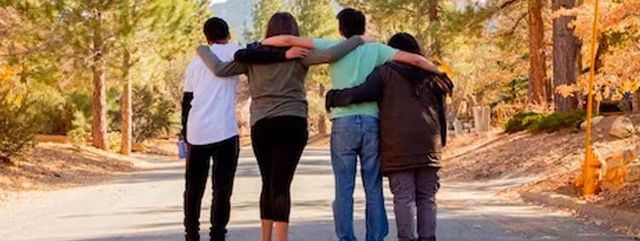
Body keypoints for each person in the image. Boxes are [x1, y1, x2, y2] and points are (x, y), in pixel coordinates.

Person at [257, 8, 445, 241]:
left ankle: (346, 237)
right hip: (371, 124)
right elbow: (415, 59)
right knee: (372, 187)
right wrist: (441, 73)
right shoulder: (376, 50)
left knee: (343, 189)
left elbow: (286, 40)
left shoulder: (331, 46)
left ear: (340, 29)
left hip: (343, 124)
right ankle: (374, 237)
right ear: (364, 28)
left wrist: (258, 44)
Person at [195, 12, 367, 241]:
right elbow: (331, 54)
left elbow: (219, 69)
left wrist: (202, 49)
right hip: (292, 122)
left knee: (268, 183)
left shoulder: (253, 57)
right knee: (281, 185)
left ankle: (265, 239)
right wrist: (357, 39)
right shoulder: (300, 54)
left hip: (262, 124)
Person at [326, 32, 453, 241]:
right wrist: (441, 143)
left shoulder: (385, 73)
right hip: (429, 145)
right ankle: (428, 238)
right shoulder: (433, 76)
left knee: (403, 197)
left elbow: (360, 93)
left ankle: (406, 238)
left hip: (398, 146)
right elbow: (440, 112)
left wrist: (334, 96)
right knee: (427, 197)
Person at [181, 17, 241, 241]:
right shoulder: (236, 51)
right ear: (228, 34)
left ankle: (191, 235)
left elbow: (187, 101)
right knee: (222, 188)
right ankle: (217, 235)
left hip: (197, 131)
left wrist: (184, 133)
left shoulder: (194, 63)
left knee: (193, 188)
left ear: (206, 37)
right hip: (225, 131)